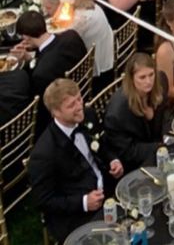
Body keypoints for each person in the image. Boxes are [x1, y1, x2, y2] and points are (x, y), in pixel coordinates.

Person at [28, 78, 124, 242]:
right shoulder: (44, 154)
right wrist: (83, 202)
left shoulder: (87, 115)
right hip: (76, 214)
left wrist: (113, 160)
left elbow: (102, 144)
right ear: (56, 112)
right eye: (71, 105)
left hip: (106, 187)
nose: (80, 106)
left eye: (79, 99)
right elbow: (43, 201)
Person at [12, 11, 87, 133]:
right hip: (82, 88)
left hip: (59, 114)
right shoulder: (72, 35)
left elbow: (43, 108)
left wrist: (24, 65)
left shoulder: (40, 74)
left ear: (26, 37)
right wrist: (30, 59)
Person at [103, 53, 169, 170]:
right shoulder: (117, 113)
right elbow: (128, 151)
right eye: (142, 77)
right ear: (132, 79)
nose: (148, 81)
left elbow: (165, 114)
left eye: (151, 74)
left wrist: (167, 139)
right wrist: (160, 147)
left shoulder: (161, 82)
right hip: (136, 163)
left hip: (161, 147)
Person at [42, 0, 114, 81]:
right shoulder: (82, 3)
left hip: (99, 66)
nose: (46, 12)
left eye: (49, 8)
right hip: (106, 46)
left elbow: (60, 44)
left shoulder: (80, 18)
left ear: (62, 4)